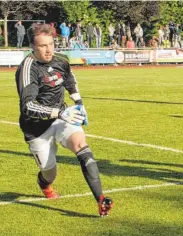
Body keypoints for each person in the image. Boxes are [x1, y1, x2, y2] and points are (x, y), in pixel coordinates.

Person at [15, 24, 113, 217]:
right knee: (49, 173)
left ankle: (101, 199)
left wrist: (78, 101)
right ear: (32, 47)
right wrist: (58, 113)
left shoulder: (61, 60)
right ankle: (44, 184)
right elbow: (28, 106)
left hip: (62, 117)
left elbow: (70, 79)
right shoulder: (27, 69)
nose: (49, 49)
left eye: (51, 44)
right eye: (43, 46)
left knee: (81, 146)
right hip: (36, 128)